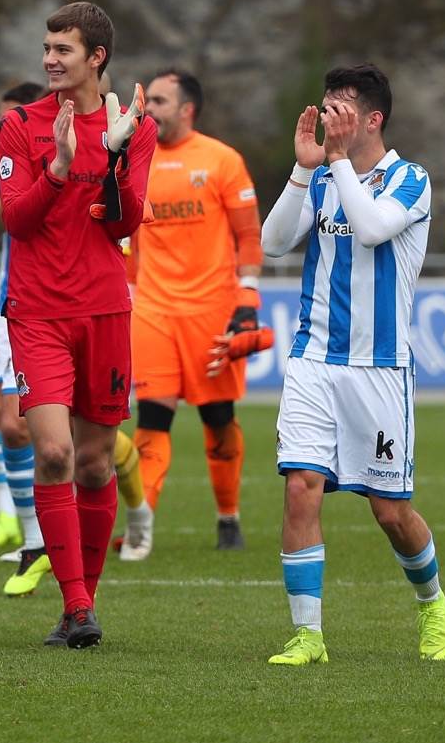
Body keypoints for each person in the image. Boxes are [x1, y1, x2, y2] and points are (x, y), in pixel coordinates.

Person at [260, 64, 445, 665]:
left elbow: (371, 230)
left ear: (373, 119)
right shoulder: (319, 177)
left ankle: (433, 606)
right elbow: (271, 244)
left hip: (379, 368)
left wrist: (337, 162)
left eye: (341, 110)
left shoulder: (410, 179)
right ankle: (308, 635)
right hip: (314, 358)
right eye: (325, 108)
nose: (328, 119)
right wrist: (301, 168)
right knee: (301, 487)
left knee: (390, 512)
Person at [0, 2, 156, 648]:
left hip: (106, 312)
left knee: (94, 464)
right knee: (54, 451)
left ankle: (78, 609)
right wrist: (59, 168)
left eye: (63, 50)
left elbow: (124, 223)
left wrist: (113, 160)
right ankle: (78, 603)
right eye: (46, 47)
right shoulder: (20, 126)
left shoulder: (131, 129)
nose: (49, 60)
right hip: (37, 313)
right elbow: (18, 220)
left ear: (97, 58)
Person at [124, 69, 270, 559]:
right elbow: (125, 237)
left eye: (159, 101)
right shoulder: (132, 160)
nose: (149, 109)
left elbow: (249, 237)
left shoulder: (222, 160)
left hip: (212, 311)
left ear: (187, 109)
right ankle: (141, 528)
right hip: (153, 310)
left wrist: (248, 299)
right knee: (152, 420)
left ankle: (228, 517)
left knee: (219, 419)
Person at [0, 82, 51, 599]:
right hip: (10, 307)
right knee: (10, 424)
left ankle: (53, 540)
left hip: (57, 301)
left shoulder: (57, 148)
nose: (8, 130)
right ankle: (34, 541)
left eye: (14, 120)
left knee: (72, 442)